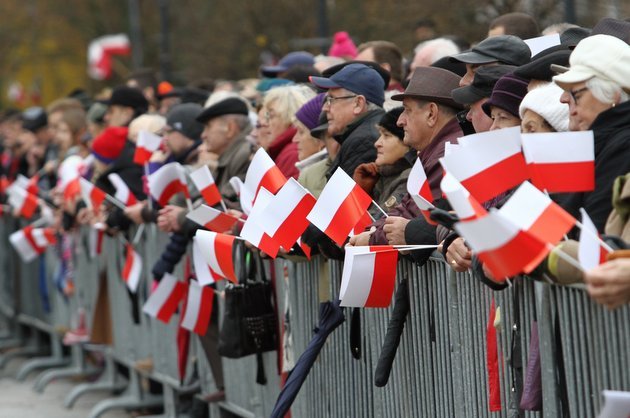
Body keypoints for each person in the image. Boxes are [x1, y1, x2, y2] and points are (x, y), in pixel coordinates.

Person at [349, 67, 463, 264]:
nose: (400, 121)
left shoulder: (446, 154)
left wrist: (372, 238)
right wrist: (375, 233)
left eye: (407, 110)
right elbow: (403, 211)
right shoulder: (433, 152)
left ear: (431, 114)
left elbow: (423, 218)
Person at [553, 34, 630, 230]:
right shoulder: (606, 141)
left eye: (576, 94)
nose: (566, 102)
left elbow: (592, 230)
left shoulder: (623, 145)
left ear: (611, 95)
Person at [309, 63, 386, 179]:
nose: (325, 108)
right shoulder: (364, 134)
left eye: (331, 99)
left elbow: (344, 196)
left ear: (358, 103)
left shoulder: (364, 141)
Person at [353, 107, 411, 218]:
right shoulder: (381, 176)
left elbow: (375, 223)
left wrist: (357, 196)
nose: (377, 143)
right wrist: (362, 191)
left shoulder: (408, 179)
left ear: (407, 141)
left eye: (387, 135)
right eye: (380, 135)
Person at [261, 85, 315, 179]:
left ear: (289, 117)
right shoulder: (285, 149)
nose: (265, 123)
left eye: (271, 116)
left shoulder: (293, 153)